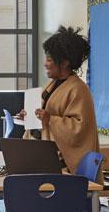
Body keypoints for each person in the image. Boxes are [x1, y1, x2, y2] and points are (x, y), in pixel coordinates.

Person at [17, 25, 99, 175]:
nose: (45, 64)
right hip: (43, 158)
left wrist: (50, 119)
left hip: (61, 166)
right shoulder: (54, 84)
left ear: (65, 63)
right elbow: (45, 116)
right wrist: (30, 116)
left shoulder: (78, 89)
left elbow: (79, 129)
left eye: (49, 59)